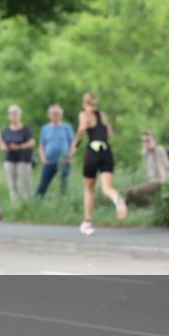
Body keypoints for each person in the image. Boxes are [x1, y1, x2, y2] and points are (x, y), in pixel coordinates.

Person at [69, 92, 128, 235]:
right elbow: (110, 135)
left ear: (84, 103)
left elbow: (82, 128)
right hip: (106, 151)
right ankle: (117, 199)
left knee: (89, 188)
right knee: (107, 188)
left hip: (93, 151)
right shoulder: (103, 115)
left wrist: (76, 144)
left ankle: (88, 221)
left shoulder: (84, 114)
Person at [124, 131, 169, 207]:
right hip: (153, 181)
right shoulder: (146, 153)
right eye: (143, 141)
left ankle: (152, 207)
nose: (146, 143)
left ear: (154, 141)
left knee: (137, 191)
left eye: (148, 141)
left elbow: (162, 169)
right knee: (129, 192)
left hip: (162, 181)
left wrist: (164, 187)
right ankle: (131, 209)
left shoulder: (158, 150)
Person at [36, 104, 75, 198]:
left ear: (61, 115)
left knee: (64, 184)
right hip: (49, 161)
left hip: (64, 161)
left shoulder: (67, 127)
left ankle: (63, 202)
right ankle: (37, 201)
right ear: (49, 115)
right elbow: (41, 145)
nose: (55, 116)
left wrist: (70, 155)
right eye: (53, 114)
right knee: (43, 184)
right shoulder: (45, 129)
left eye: (57, 113)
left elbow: (73, 143)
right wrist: (43, 158)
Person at [1, 105, 35, 201]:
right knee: (12, 183)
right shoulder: (7, 129)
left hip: (23, 159)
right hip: (10, 158)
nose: (14, 116)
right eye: (11, 114)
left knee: (24, 183)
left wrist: (19, 146)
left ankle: (26, 203)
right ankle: (14, 204)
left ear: (20, 115)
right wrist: (6, 147)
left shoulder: (26, 129)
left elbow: (32, 142)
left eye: (16, 114)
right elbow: (2, 143)